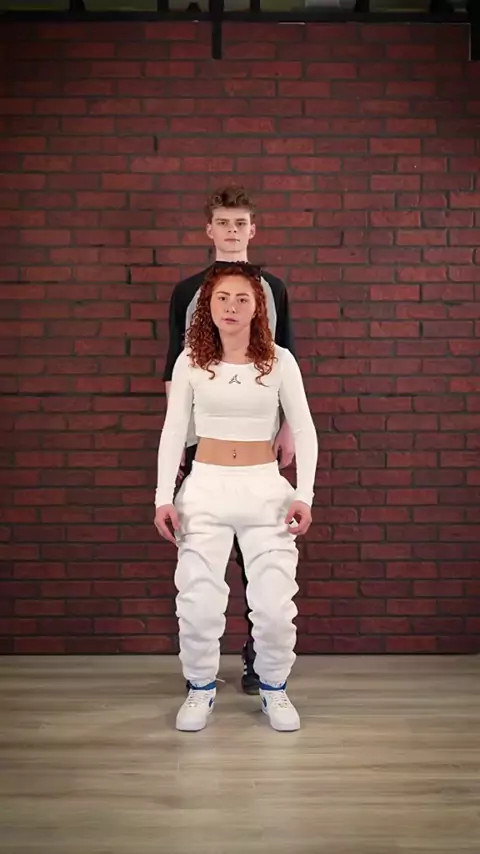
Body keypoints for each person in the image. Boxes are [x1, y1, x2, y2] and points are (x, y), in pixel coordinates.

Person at [154, 264, 318, 732]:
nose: (231, 307)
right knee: (198, 603)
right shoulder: (190, 361)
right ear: (208, 305)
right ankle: (200, 688)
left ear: (257, 307)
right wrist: (163, 497)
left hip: (265, 490)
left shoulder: (280, 361)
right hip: (205, 489)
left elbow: (304, 430)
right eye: (222, 298)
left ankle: (274, 688)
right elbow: (173, 432)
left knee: (274, 606)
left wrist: (304, 494)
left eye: (242, 299)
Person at [162, 185, 296, 696]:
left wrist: (287, 426)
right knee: (207, 552)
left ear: (252, 230)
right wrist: (180, 442)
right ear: (210, 229)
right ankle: (200, 668)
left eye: (240, 223)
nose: (232, 230)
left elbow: (286, 354)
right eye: (223, 222)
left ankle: (258, 659)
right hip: (206, 439)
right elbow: (173, 367)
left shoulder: (273, 289)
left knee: (260, 553)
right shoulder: (188, 291)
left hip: (259, 439)